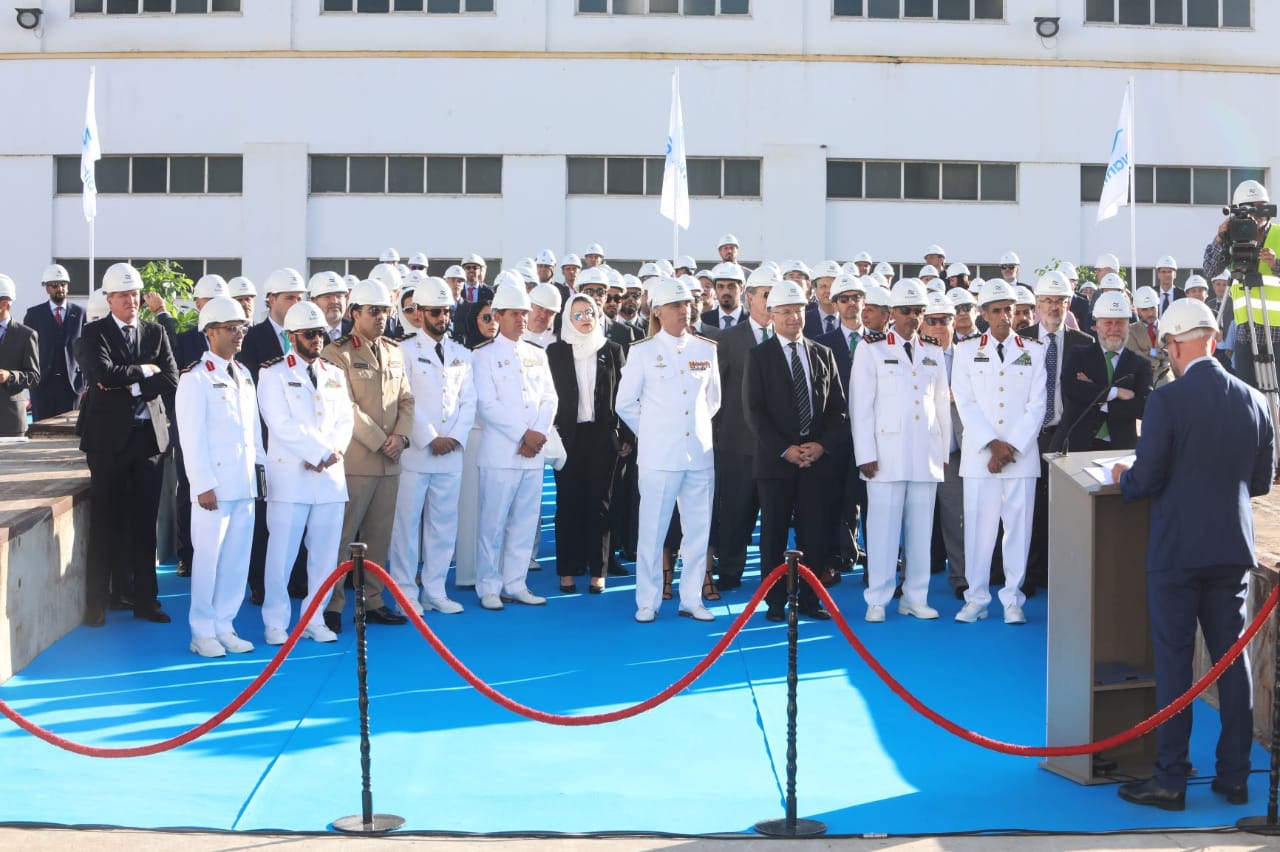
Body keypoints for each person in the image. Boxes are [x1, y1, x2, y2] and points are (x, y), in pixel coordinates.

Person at [1112, 298, 1274, 812]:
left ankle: (1171, 779)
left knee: (1175, 665)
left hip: (1177, 551)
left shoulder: (1167, 400)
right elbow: (1260, 481)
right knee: (1234, 663)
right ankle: (1234, 777)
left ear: (1179, 344)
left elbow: (1146, 478)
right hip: (1231, 547)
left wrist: (1124, 478)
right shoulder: (1254, 398)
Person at [77, 263, 178, 627]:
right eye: (123, 296)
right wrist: (143, 371)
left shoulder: (154, 332)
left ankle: (145, 600)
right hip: (107, 444)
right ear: (109, 299)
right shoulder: (94, 334)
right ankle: (97, 603)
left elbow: (170, 377)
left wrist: (130, 383)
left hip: (148, 441)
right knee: (105, 522)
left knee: (143, 524)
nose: (131, 301)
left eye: (135, 294)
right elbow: (102, 373)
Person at [617, 276, 721, 623]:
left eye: (688, 305)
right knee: (652, 531)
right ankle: (647, 600)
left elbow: (713, 401)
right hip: (660, 456)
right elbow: (625, 403)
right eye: (676, 306)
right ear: (658, 311)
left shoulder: (706, 349)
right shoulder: (642, 351)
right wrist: (655, 432)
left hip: (699, 453)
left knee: (697, 530)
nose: (684, 311)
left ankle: (691, 598)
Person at [743, 276, 846, 623]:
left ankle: (811, 599)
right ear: (772, 315)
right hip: (776, 464)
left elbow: (838, 409)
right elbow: (753, 411)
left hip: (816, 463)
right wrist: (784, 449)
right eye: (785, 312)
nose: (792, 318)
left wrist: (821, 446)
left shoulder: (823, 354)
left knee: (814, 532)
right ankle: (774, 601)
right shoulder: (758, 357)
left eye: (798, 311)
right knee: (772, 534)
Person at [255, 301, 353, 644]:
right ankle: (276, 623)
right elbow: (279, 423)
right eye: (310, 334)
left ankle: (314, 619)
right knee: (281, 556)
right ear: (292, 336)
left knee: (325, 557)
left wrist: (332, 453)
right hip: (291, 479)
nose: (317, 340)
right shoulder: (273, 373)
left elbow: (345, 420)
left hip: (329, 478)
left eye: (321, 334)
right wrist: (317, 452)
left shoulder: (335, 374)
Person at [852, 279, 948, 623]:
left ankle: (915, 596)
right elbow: (861, 405)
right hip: (885, 452)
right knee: (882, 529)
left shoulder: (933, 350)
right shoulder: (872, 348)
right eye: (906, 311)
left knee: (921, 532)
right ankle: (877, 598)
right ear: (891, 312)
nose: (912, 317)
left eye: (919, 311)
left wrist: (944, 452)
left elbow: (941, 405)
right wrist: (865, 453)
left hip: (925, 452)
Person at [951, 279, 1047, 625]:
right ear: (984, 314)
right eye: (997, 310)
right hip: (981, 458)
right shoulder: (965, 351)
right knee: (978, 530)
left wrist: (1011, 447)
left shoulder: (1034, 350)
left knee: (1018, 531)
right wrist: (993, 445)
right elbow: (965, 402)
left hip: (1021, 457)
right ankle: (976, 597)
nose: (1005, 316)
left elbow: (1038, 405)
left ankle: (1012, 598)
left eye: (1009, 309)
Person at [320, 277, 413, 631]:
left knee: (379, 537)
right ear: (354, 312)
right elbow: (345, 407)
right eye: (373, 311)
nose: (380, 318)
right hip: (357, 460)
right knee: (343, 537)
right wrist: (380, 440)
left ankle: (371, 601)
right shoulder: (336, 353)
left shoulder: (394, 350)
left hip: (390, 462)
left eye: (385, 312)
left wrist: (401, 437)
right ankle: (333, 603)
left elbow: (406, 399)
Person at [175, 296, 263, 658]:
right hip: (215, 486)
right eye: (231, 328)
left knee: (237, 561)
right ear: (210, 332)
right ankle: (202, 630)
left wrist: (260, 478)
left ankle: (225, 624)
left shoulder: (243, 374)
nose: (239, 334)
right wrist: (202, 485)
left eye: (242, 327)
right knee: (208, 561)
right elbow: (191, 437)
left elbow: (254, 433)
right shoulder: (196, 378)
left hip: (243, 484)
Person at [387, 278, 476, 617]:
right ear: (419, 313)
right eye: (435, 312)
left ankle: (435, 590)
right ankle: (406, 593)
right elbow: (405, 399)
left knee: (443, 526)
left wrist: (455, 437)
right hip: (416, 454)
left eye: (446, 312)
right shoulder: (404, 351)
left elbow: (469, 401)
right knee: (406, 528)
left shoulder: (461, 353)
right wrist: (429, 437)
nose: (442, 318)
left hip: (450, 454)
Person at [470, 278, 557, 610]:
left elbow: (550, 398)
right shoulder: (483, 355)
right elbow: (486, 404)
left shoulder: (537, 354)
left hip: (532, 454)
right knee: (492, 523)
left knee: (524, 521)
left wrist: (538, 434)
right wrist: (524, 434)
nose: (522, 319)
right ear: (498, 316)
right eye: (514, 314)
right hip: (501, 453)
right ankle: (489, 585)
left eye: (525, 313)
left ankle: (515, 582)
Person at [547, 294, 629, 594]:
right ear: (568, 317)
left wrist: (625, 436)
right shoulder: (555, 352)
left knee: (600, 504)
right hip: (567, 438)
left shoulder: (612, 350)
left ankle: (599, 570)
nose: (585, 319)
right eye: (578, 314)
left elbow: (625, 396)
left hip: (601, 437)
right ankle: (567, 571)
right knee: (567, 504)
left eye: (590, 313)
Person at [1020, 271, 1094, 595]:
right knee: (1029, 508)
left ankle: (1060, 575)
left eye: (1059, 301)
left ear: (1068, 304)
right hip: (1028, 436)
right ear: (1037, 304)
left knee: (1063, 511)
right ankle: (1031, 574)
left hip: (1067, 438)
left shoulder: (1085, 344)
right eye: (1047, 300)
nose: (1053, 307)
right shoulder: (1019, 339)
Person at [240, 267, 308, 605]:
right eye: (290, 298)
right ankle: (261, 583)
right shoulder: (252, 339)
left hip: (301, 444)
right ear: (271, 300)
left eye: (300, 297)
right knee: (266, 520)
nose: (297, 303)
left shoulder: (309, 334)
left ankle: (297, 578)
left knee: (298, 515)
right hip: (267, 442)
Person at [712, 266, 776, 592]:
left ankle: (773, 577)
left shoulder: (788, 337)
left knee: (775, 519)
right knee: (736, 512)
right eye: (766, 294)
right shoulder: (728, 339)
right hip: (738, 445)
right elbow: (716, 393)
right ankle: (731, 570)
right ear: (750, 298)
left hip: (779, 446)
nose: (770, 301)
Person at [1051, 291, 1153, 453]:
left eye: (1120, 323)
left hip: (1120, 451)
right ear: (1096, 326)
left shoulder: (1140, 365)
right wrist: (1114, 392)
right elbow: (1071, 389)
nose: (1114, 329)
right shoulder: (1079, 355)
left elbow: (1145, 407)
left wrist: (1099, 399)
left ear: (1129, 326)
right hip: (1076, 448)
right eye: (1108, 323)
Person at [1203, 180, 1280, 391]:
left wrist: (1276, 264)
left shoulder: (1279, 235)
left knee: (1276, 393)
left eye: (1261, 207)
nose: (1256, 214)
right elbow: (1210, 270)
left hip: (1277, 329)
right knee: (1249, 393)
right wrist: (1220, 239)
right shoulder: (1231, 236)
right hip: (1246, 330)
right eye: (1251, 208)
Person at [23, 263, 83, 421]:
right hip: (42, 386)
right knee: (41, 431)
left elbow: (86, 349)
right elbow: (27, 350)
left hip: (71, 386)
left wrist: (85, 381)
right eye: (55, 285)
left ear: (68, 287)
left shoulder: (80, 314)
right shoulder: (34, 314)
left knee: (70, 432)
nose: (60, 289)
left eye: (63, 284)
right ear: (47, 288)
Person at [0, 274, 39, 437]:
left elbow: (34, 377)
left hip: (10, 421)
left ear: (4, 303)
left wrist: (10, 376)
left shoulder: (25, 335)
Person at [1126, 287, 1173, 387]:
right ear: (1138, 311)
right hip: (1140, 382)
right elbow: (1135, 354)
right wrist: (1159, 363)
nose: (1150, 313)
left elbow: (1173, 353)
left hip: (1166, 381)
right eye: (1145, 310)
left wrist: (1151, 352)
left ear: (1158, 307)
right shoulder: (1130, 330)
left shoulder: (1169, 328)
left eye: (1152, 308)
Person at [704, 262, 746, 330]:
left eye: (731, 286)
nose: (726, 291)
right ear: (715, 290)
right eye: (720, 286)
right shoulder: (703, 322)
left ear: (741, 289)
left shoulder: (753, 321)